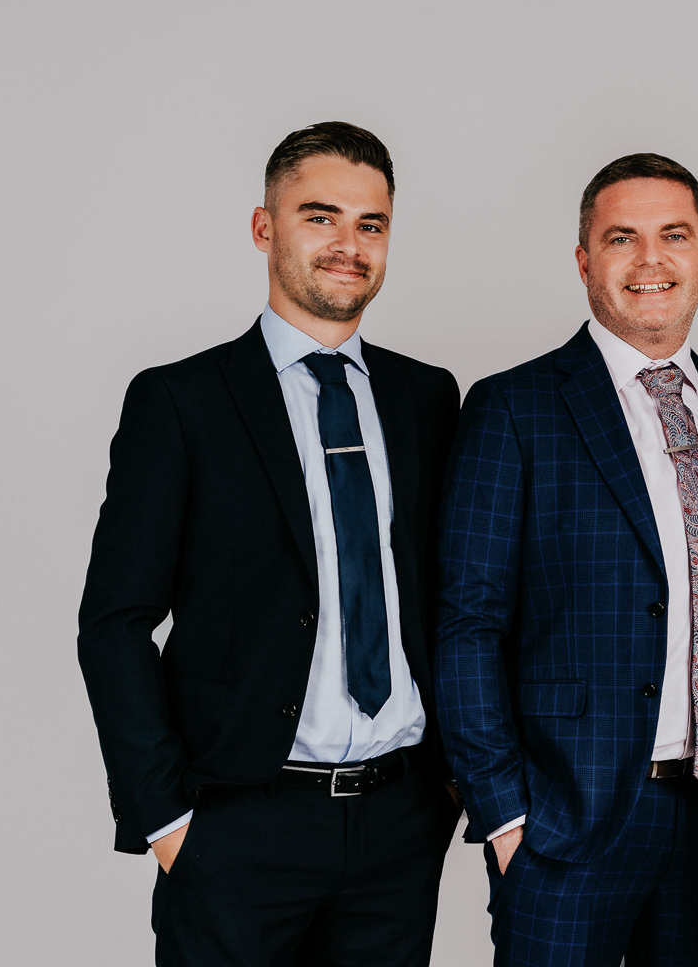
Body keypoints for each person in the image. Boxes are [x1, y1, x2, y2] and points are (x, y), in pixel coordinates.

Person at [77, 122, 462, 965]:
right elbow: (113, 623)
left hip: (400, 823)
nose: (348, 245)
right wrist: (165, 819)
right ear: (264, 228)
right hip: (239, 825)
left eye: (370, 224)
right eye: (319, 217)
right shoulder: (181, 402)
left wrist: (445, 787)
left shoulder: (427, 398)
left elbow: (449, 597)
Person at [435, 153, 698, 966]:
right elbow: (466, 622)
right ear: (584, 260)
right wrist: (504, 814)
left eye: (675, 235)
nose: (650, 259)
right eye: (622, 238)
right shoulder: (514, 407)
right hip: (564, 824)